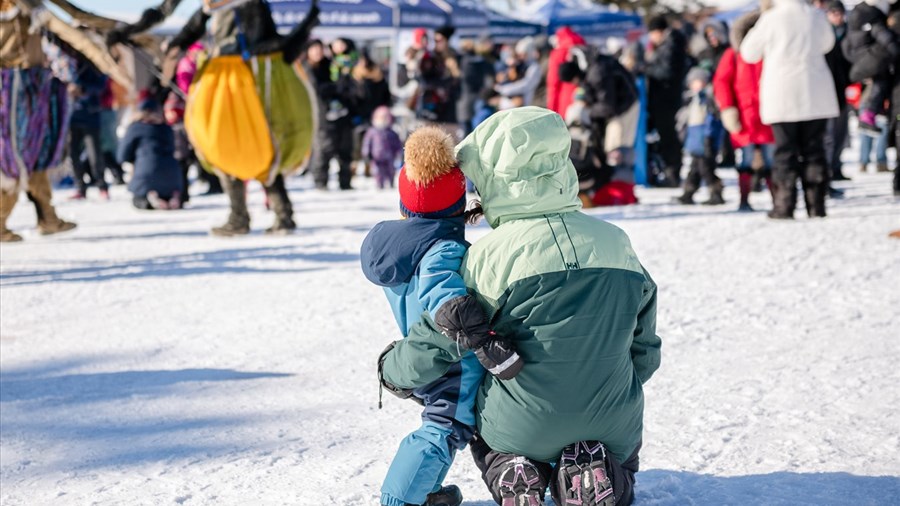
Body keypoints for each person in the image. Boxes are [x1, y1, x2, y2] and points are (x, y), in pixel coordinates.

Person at [380, 108, 661, 505]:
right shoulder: (618, 243)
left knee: (489, 422)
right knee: (617, 452)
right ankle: (603, 475)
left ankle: (511, 467)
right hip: (610, 417)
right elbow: (645, 349)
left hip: (519, 424)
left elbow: (442, 335)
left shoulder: (487, 258)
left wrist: (393, 369)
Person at [361, 127, 523, 506]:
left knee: (442, 423)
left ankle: (425, 489)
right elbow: (442, 295)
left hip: (420, 350)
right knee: (445, 427)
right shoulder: (442, 248)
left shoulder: (393, 246)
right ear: (457, 206)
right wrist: (482, 340)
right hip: (454, 358)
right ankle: (399, 499)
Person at [111, 0, 320, 235]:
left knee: (252, 143)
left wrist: (302, 29)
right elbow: (185, 18)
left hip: (245, 73)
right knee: (227, 143)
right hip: (228, 72)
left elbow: (259, 32)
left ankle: (265, 216)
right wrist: (134, 34)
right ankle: (253, 215)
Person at [741, 0, 839, 219]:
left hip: (782, 92)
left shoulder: (771, 18)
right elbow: (827, 44)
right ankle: (816, 205)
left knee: (785, 151)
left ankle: (784, 206)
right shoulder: (815, 15)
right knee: (815, 150)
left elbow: (749, 52)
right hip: (816, 91)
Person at [0, 0, 76, 242]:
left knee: (36, 157)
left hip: (31, 92)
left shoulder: (30, 11)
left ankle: (49, 218)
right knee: (12, 163)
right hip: (11, 93)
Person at [713, 4, 777, 212]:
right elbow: (721, 82)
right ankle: (744, 199)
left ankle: (778, 200)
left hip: (768, 115)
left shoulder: (771, 53)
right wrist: (728, 109)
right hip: (746, 117)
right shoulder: (733, 54)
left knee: (771, 161)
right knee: (746, 160)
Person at [305, 37, 359, 191]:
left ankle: (345, 182)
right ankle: (321, 182)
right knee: (324, 149)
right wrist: (336, 87)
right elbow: (319, 90)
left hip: (341, 114)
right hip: (321, 116)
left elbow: (345, 82)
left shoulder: (331, 65)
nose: (317, 52)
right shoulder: (307, 68)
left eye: (319, 48)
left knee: (345, 150)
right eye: (313, 49)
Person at [843, 0, 900, 136]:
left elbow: (846, 45)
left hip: (862, 58)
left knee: (878, 85)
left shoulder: (856, 14)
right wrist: (895, 49)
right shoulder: (873, 16)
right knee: (880, 84)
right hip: (872, 57)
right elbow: (883, 36)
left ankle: (871, 115)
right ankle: (869, 116)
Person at [117, 95, 184, 210]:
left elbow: (122, 156)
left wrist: (134, 158)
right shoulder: (167, 128)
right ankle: (172, 197)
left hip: (146, 175)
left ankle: (149, 199)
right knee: (166, 187)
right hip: (173, 176)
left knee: (137, 200)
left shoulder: (135, 128)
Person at [645, 15, 689, 187]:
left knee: (668, 137)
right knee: (667, 137)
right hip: (665, 98)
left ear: (659, 32)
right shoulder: (668, 44)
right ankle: (671, 172)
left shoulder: (670, 46)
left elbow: (667, 71)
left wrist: (646, 68)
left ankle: (673, 174)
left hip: (667, 99)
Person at [675, 68, 725, 205]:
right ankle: (688, 192)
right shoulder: (692, 98)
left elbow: (711, 120)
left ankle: (716, 192)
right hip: (695, 139)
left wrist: (709, 137)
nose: (693, 85)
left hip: (705, 139)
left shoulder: (708, 97)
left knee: (707, 168)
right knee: (694, 169)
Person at [68, 54, 110, 200]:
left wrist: (82, 89)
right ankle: (80, 187)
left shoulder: (93, 63)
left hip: (90, 115)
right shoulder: (65, 63)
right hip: (71, 115)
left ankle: (102, 186)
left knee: (94, 154)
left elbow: (102, 84)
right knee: (73, 154)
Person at [822, 1, 853, 183]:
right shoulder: (823, 35)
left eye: (839, 12)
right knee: (827, 135)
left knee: (841, 133)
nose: (837, 16)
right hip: (826, 90)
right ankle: (827, 170)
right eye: (833, 12)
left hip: (844, 88)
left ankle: (836, 166)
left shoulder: (850, 33)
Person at [457, 38, 494, 136]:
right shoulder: (483, 62)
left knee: (466, 135)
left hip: (466, 102)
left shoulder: (461, 61)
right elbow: (490, 79)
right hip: (478, 100)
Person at [547, 26, 587, 117]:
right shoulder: (582, 45)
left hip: (565, 99)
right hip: (585, 96)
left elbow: (553, 83)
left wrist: (551, 110)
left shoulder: (559, 51)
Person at [361, 106, 402, 190]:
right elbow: (367, 143)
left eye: (384, 118)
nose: (382, 121)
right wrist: (366, 153)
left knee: (390, 170)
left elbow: (397, 144)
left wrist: (399, 152)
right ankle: (379, 183)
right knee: (378, 171)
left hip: (390, 156)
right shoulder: (371, 132)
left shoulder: (392, 132)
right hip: (376, 156)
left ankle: (390, 182)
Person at [495, 37, 542, 109]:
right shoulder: (520, 65)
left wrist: (505, 89)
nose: (521, 57)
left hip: (528, 104)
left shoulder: (534, 67)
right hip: (512, 104)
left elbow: (526, 85)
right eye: (520, 55)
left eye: (523, 54)